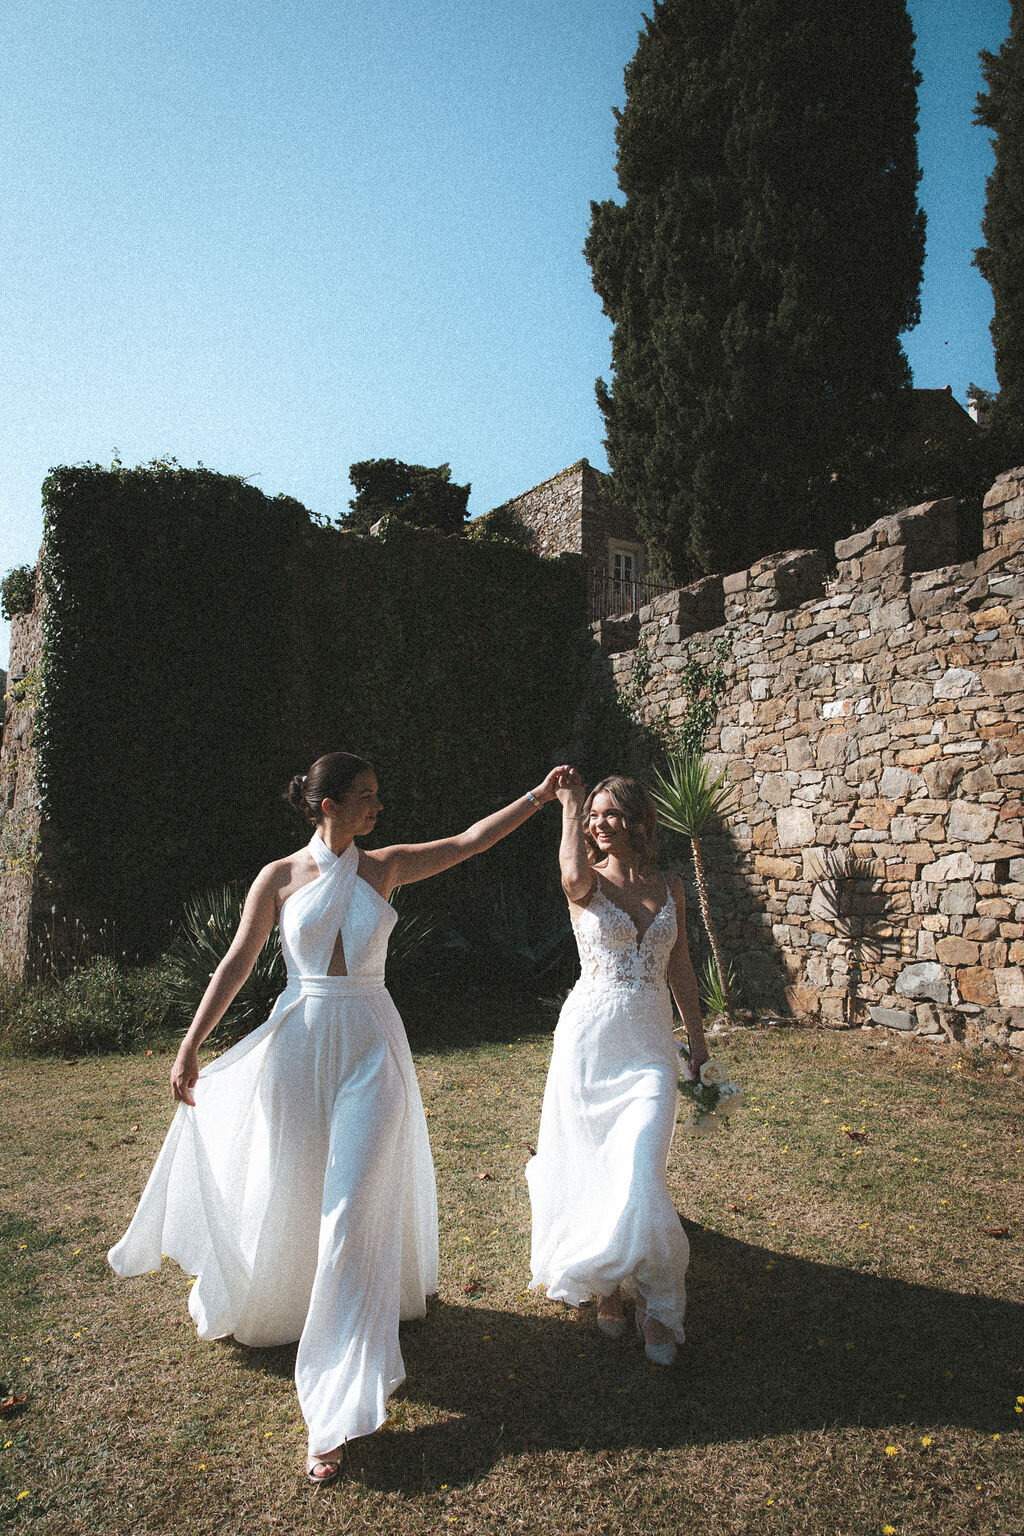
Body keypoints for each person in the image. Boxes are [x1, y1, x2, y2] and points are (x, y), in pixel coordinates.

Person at [109, 751, 569, 1484]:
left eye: (378, 796)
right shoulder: (279, 878)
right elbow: (235, 962)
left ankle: (333, 1401)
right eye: (365, 796)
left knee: (352, 1209)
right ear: (326, 805)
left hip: (372, 1047)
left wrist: (539, 797)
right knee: (297, 1191)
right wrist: (191, 1043)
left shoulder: (384, 867)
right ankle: (292, 1303)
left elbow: (470, 841)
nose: (378, 807)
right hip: (299, 1047)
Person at [526, 772, 709, 1366]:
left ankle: (657, 1303)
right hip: (591, 1041)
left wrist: (697, 1037)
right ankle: (607, 1285)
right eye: (594, 816)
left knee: (641, 1165)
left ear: (637, 820)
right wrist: (569, 803)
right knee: (595, 1161)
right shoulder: (585, 880)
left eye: (610, 814)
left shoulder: (671, 886)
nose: (600, 824)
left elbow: (680, 963)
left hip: (651, 1044)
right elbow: (571, 875)